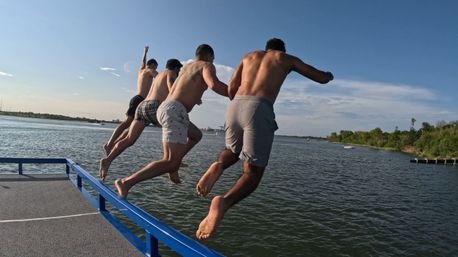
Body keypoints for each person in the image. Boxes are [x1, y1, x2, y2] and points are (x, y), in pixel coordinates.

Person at [195, 38, 334, 240]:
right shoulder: (285, 58)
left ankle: (218, 166)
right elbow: (320, 78)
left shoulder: (248, 56)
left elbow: (232, 88)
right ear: (281, 49)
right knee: (252, 173)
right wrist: (329, 75)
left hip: (234, 106)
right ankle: (223, 202)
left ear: (267, 47)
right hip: (259, 107)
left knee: (233, 151)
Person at [114, 44, 229, 198]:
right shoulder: (207, 65)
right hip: (175, 111)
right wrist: (238, 93)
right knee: (169, 161)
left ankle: (175, 165)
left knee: (196, 135)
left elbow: (182, 88)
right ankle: (126, 182)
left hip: (166, 108)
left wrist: (195, 97)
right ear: (209, 56)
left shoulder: (188, 67)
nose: (213, 61)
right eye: (213, 58)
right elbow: (214, 84)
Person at [99, 59, 183, 182]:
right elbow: (172, 89)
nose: (179, 71)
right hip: (155, 105)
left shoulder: (148, 72)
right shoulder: (169, 73)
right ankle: (172, 165)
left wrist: (144, 52)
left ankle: (108, 160)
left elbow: (143, 65)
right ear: (175, 68)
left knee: (129, 139)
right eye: (179, 69)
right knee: (178, 127)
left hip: (142, 105)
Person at [103, 46, 158, 154]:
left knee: (131, 126)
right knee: (126, 123)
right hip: (139, 99)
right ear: (152, 65)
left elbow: (143, 62)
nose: (155, 69)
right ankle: (109, 144)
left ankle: (113, 144)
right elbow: (160, 77)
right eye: (155, 67)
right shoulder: (150, 70)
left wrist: (145, 52)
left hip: (139, 100)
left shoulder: (141, 70)